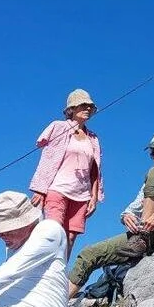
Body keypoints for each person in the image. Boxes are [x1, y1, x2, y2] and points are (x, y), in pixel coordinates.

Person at [66, 133, 154, 298]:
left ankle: (142, 236)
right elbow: (133, 207)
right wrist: (126, 216)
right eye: (153, 155)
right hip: (145, 235)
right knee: (89, 253)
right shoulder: (150, 182)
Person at [29, 89, 104, 259]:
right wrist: (40, 189)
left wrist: (93, 197)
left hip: (82, 195)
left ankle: (60, 273)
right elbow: (47, 157)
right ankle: (45, 271)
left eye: (90, 106)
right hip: (58, 189)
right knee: (53, 232)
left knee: (70, 238)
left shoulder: (93, 138)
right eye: (83, 105)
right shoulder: (59, 127)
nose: (87, 109)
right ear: (72, 108)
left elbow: (95, 170)